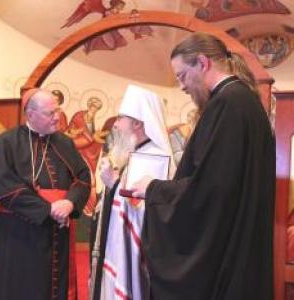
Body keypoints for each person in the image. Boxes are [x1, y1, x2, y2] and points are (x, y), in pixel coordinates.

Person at [133, 32, 275, 300]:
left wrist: (154, 189)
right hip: (241, 243)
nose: (182, 87)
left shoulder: (226, 105)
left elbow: (211, 189)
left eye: (182, 76)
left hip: (226, 255)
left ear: (203, 62)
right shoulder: (244, 101)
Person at [0, 88, 91, 300]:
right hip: (19, 235)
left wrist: (70, 203)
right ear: (30, 114)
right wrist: (49, 209)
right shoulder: (6, 143)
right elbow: (5, 188)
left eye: (58, 111)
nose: (57, 117)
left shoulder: (65, 143)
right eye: (50, 113)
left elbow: (82, 178)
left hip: (58, 232)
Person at [89, 84, 175, 300]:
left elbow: (144, 213)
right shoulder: (137, 153)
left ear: (137, 123)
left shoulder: (151, 158)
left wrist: (114, 184)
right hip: (119, 252)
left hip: (134, 260)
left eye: (120, 118)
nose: (115, 125)